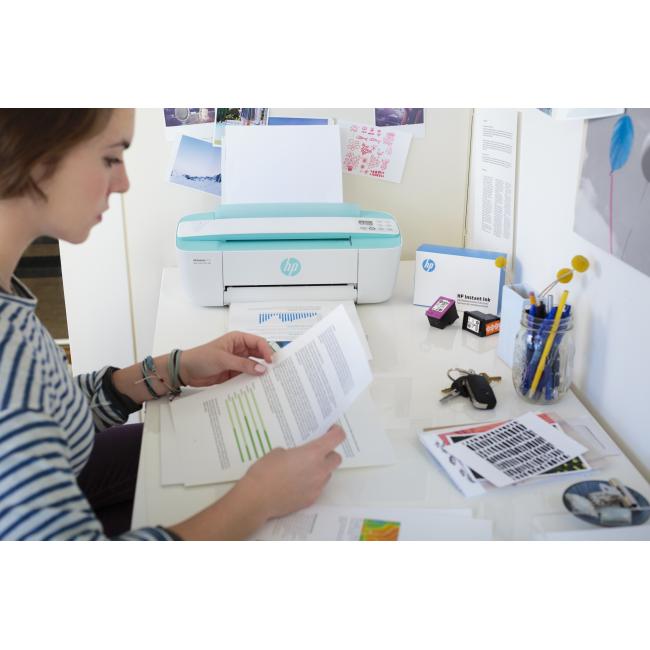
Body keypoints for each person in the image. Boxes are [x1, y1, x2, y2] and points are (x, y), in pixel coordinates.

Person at [0, 108, 345, 540]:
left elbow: (53, 415)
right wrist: (257, 500)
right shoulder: (7, 352)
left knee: (184, 448)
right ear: (34, 152)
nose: (123, 182)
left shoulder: (9, 300)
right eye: (110, 157)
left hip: (77, 472)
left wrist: (170, 369)